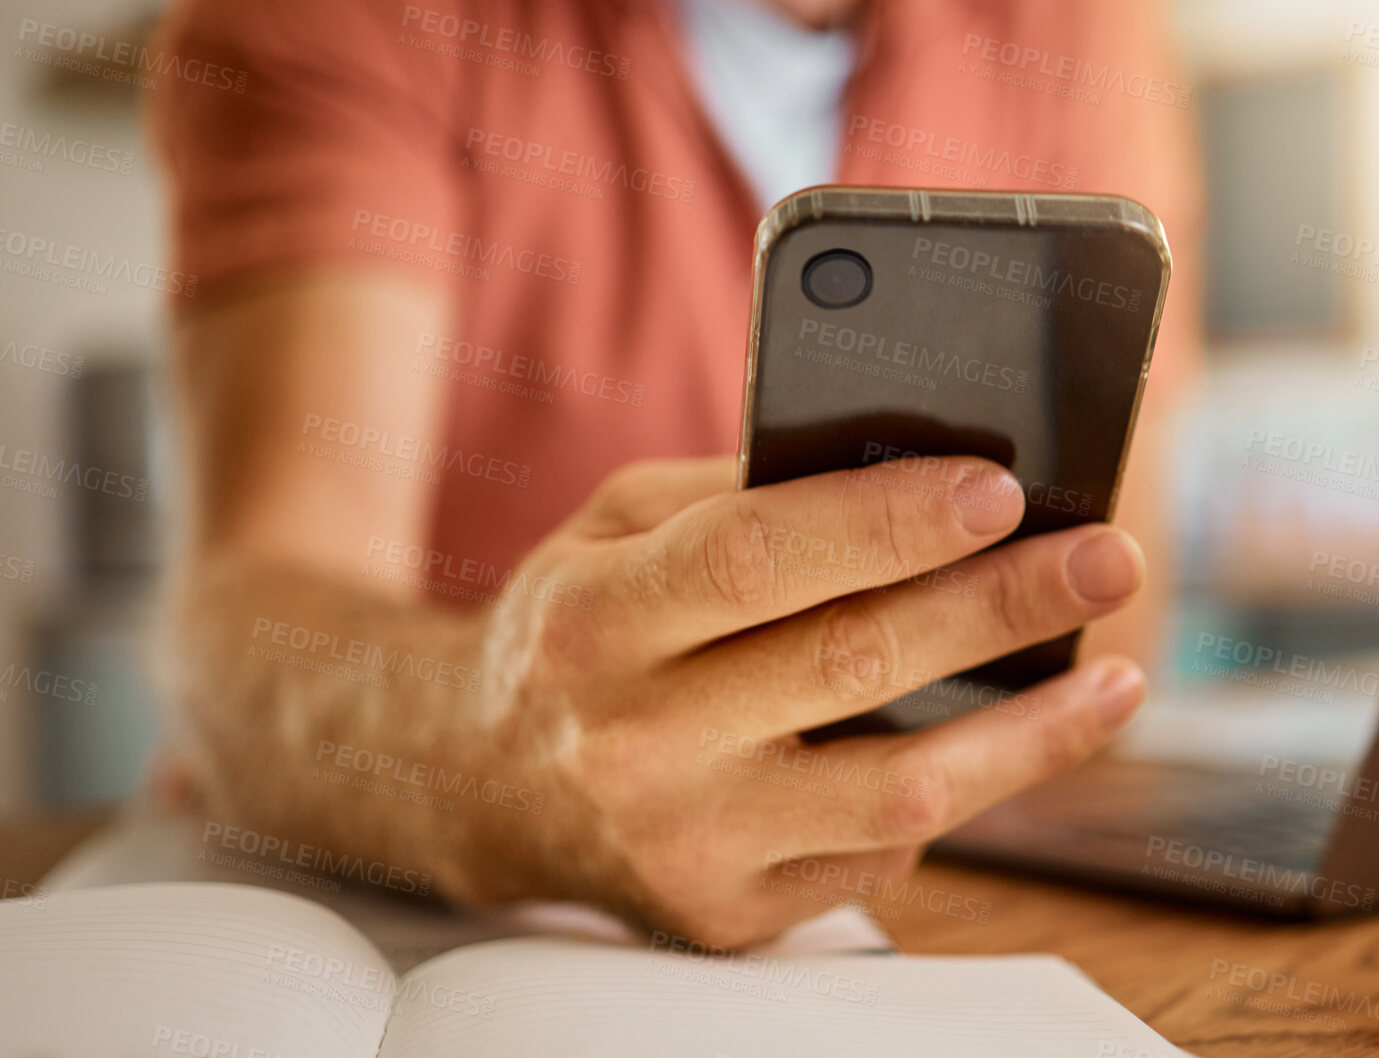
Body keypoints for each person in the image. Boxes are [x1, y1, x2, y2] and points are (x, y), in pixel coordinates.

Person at [148, 0, 1201, 948]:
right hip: (421, 916)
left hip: (948, 904)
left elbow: (1108, 609)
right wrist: (500, 752)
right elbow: (246, 624)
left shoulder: (1086, 28)